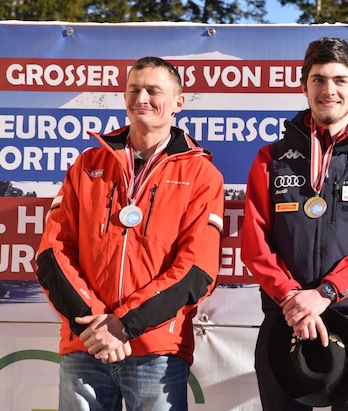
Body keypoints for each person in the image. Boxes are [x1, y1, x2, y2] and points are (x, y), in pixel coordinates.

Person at [35, 56, 224, 410]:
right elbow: (52, 253)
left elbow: (197, 270)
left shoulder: (202, 175)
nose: (141, 99)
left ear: (179, 103)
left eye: (153, 91)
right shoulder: (87, 165)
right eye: (134, 89)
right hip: (86, 345)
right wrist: (94, 326)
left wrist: (124, 324)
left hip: (156, 352)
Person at [241, 37, 348, 410]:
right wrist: (292, 298)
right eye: (317, 79)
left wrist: (326, 293)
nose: (328, 90)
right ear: (304, 87)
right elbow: (254, 242)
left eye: (340, 80)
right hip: (285, 317)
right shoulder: (272, 157)